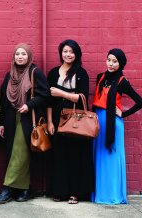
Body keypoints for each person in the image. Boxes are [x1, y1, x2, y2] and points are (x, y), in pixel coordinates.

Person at [0, 43, 50, 204]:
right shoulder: (9, 75)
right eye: (17, 54)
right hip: (12, 118)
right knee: (15, 153)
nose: (20, 57)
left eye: (23, 54)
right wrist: (2, 123)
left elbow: (44, 95)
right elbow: (4, 100)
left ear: (29, 56)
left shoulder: (35, 72)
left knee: (20, 152)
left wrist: (29, 105)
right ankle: (25, 189)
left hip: (27, 119)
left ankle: (7, 188)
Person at [92, 48, 142, 204]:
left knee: (111, 158)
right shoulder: (100, 77)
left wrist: (123, 114)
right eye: (109, 59)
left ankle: (112, 195)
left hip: (112, 124)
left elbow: (140, 102)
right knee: (99, 157)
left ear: (120, 64)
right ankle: (100, 194)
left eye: (115, 61)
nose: (111, 63)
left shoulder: (122, 82)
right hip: (98, 120)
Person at [45, 39, 93, 204]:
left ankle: (75, 193)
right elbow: (48, 101)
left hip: (75, 120)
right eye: (65, 51)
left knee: (75, 156)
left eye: (71, 52)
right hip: (57, 120)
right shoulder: (52, 73)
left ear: (77, 54)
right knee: (59, 155)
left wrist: (62, 93)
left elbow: (83, 97)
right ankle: (60, 191)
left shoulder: (81, 73)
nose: (68, 54)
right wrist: (50, 122)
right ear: (61, 53)